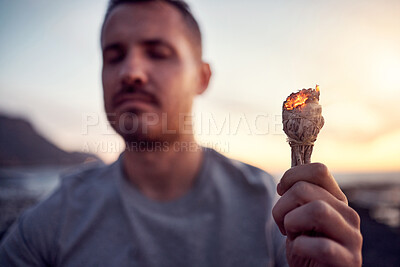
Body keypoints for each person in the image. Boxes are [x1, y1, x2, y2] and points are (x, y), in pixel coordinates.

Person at [0, 0, 362, 266]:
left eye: (158, 53)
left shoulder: (272, 209)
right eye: (114, 56)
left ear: (202, 77)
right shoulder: (51, 222)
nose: (131, 71)